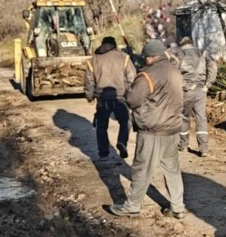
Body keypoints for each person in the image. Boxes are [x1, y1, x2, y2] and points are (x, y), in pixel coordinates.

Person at [109, 40, 185, 219]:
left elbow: (133, 100)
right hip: (172, 129)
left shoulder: (148, 75)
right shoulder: (174, 71)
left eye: (145, 58)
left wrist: (128, 90)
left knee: (141, 170)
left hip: (153, 131)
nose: (144, 61)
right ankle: (178, 207)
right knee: (172, 170)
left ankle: (132, 206)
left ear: (150, 57)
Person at [83, 35, 136, 160]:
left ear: (102, 45)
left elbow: (89, 81)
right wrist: (131, 95)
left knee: (101, 125)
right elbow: (132, 78)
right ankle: (122, 141)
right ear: (115, 45)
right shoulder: (124, 58)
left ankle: (103, 152)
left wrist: (89, 96)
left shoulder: (93, 60)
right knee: (125, 121)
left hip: (102, 98)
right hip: (120, 97)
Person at [174, 36, 218, 156]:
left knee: (184, 117)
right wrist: (208, 84)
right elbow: (213, 66)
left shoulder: (178, 54)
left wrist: (185, 85)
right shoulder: (202, 52)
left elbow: (174, 73)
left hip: (186, 91)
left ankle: (183, 144)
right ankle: (203, 148)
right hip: (201, 90)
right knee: (201, 118)